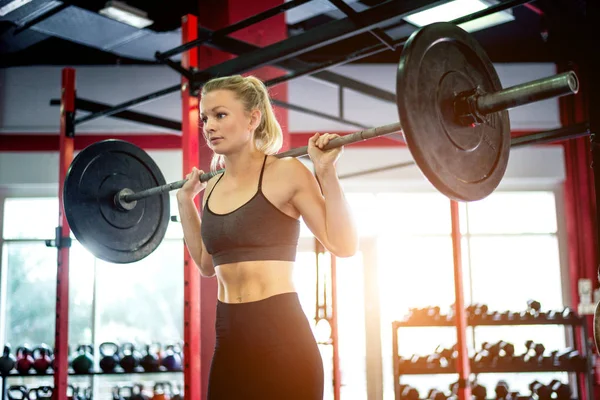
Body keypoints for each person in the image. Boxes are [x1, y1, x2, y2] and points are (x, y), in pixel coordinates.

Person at [176, 74, 358, 399]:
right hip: (229, 336)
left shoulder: (285, 172)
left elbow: (342, 245)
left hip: (281, 334)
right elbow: (206, 263)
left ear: (252, 118)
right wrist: (184, 202)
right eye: (205, 118)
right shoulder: (212, 186)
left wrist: (326, 173)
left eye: (220, 115)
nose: (209, 126)